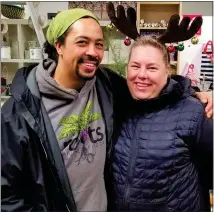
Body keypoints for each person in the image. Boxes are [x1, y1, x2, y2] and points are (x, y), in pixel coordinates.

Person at [1, 8, 212, 212]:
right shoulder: (19, 114)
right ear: (59, 46)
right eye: (82, 42)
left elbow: (156, 87)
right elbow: (6, 194)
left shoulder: (105, 85)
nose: (92, 52)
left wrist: (195, 94)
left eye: (99, 44)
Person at [111, 36, 213, 212]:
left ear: (167, 71)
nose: (141, 75)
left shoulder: (194, 112)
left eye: (152, 68)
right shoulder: (116, 105)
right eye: (135, 66)